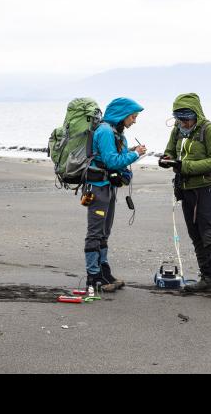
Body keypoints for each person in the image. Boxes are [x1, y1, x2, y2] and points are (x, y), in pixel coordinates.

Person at [159, 93, 211, 298]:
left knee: (209, 235)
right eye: (179, 118)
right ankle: (208, 279)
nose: (183, 122)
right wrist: (167, 159)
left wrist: (185, 166)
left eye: (186, 118)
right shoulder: (178, 130)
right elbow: (170, 152)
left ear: (196, 114)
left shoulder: (210, 130)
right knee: (195, 236)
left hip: (207, 189)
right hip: (185, 188)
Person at [83, 97, 146, 293]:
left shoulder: (116, 132)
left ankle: (104, 272)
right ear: (122, 115)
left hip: (108, 187)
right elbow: (112, 161)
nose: (134, 120)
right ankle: (93, 277)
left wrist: (130, 150)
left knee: (105, 232)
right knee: (95, 233)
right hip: (97, 187)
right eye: (133, 116)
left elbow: (112, 156)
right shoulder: (104, 131)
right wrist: (135, 155)